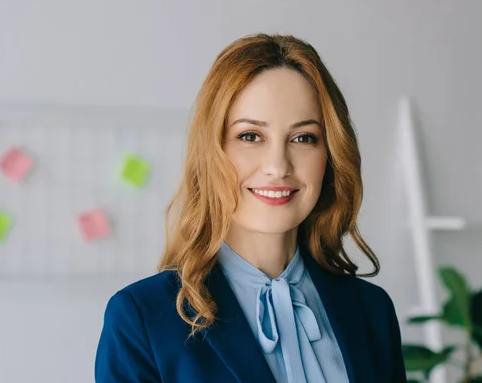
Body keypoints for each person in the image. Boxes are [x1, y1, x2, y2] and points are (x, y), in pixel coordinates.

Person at [94, 33, 407, 383]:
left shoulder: (372, 311)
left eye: (303, 138)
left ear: (330, 155)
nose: (277, 166)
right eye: (250, 136)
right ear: (213, 150)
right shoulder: (141, 319)